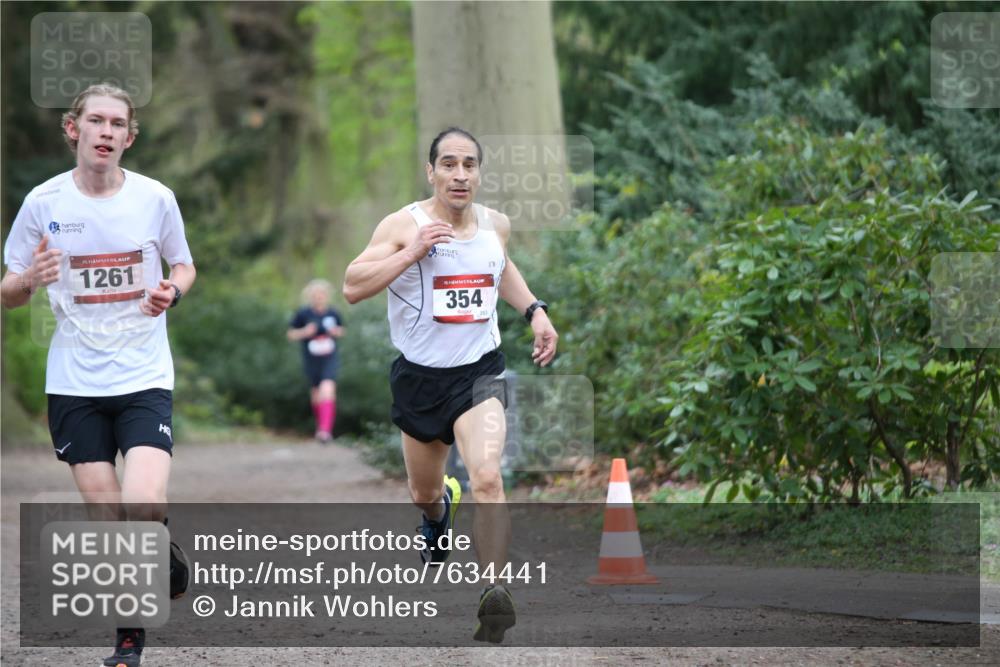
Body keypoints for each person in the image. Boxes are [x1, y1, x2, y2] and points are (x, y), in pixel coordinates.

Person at [1, 83, 195, 667]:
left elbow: (184, 265)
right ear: (73, 129)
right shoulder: (44, 203)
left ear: (129, 138)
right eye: (96, 121)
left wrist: (171, 291)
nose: (106, 132)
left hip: (142, 374)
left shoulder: (155, 198)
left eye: (118, 124)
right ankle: (128, 641)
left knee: (141, 502)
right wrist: (31, 278)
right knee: (108, 518)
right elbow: (7, 292)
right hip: (75, 382)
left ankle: (157, 545)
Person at [343, 127, 558, 643]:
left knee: (488, 475)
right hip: (419, 379)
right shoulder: (403, 224)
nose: (460, 175)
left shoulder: (495, 225)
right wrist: (412, 252)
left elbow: (498, 267)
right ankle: (438, 518)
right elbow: (352, 286)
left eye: (469, 165)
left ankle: (494, 591)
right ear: (431, 171)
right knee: (424, 491)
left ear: (479, 172)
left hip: (479, 372)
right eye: (449, 165)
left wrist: (534, 311)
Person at [287, 279, 345, 443]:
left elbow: (342, 331)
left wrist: (336, 332)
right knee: (316, 394)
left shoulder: (333, 313)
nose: (319, 298)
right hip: (311, 359)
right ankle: (321, 428)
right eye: (315, 295)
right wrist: (305, 332)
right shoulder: (303, 314)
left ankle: (325, 431)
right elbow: (291, 334)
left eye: (321, 295)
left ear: (327, 296)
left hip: (329, 357)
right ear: (310, 297)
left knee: (328, 388)